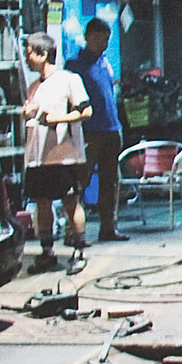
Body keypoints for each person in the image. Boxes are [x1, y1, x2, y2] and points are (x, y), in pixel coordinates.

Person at [21, 32, 93, 274]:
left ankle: (79, 250)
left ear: (43, 54)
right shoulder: (34, 87)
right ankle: (47, 252)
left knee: (70, 203)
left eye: (29, 54)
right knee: (43, 204)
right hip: (38, 156)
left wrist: (58, 119)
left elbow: (86, 111)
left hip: (64, 155)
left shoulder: (68, 79)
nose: (27, 59)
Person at [65, 17, 129, 242]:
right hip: (89, 130)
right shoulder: (74, 65)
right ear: (87, 37)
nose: (103, 44)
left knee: (110, 181)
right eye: (99, 39)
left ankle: (108, 227)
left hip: (111, 128)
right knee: (80, 180)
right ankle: (73, 231)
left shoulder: (105, 63)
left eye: (106, 40)